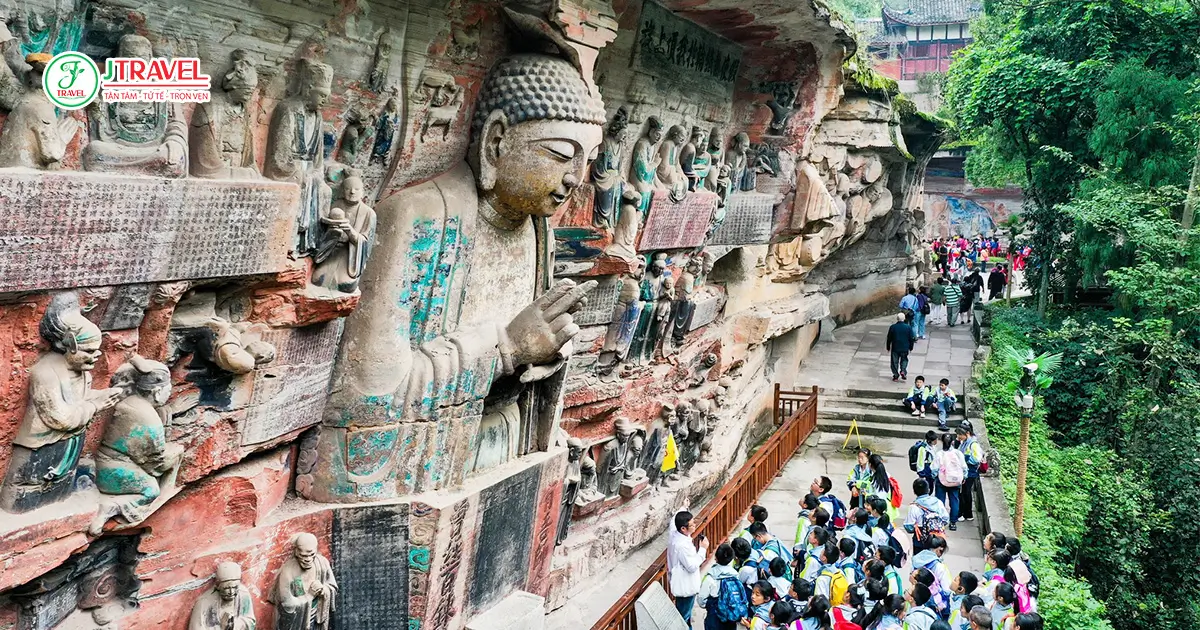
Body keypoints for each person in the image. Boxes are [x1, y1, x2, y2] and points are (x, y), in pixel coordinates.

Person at [667, 510, 708, 625]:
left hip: (680, 581)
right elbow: (691, 566)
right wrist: (703, 549)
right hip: (686, 586)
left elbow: (672, 522)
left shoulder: (674, 534)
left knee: (685, 614)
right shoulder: (682, 546)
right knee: (683, 617)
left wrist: (684, 506)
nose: (694, 525)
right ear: (683, 529)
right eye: (691, 525)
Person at [700, 543, 742, 630]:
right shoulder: (736, 575)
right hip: (731, 615)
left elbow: (701, 599)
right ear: (731, 559)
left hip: (714, 616)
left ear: (716, 558)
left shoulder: (710, 577)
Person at [904, 478, 948, 554]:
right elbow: (945, 519)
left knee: (919, 562)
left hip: (920, 540)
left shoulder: (914, 507)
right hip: (937, 539)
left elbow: (909, 526)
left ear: (914, 491)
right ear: (928, 489)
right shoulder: (938, 502)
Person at [913, 535, 953, 618]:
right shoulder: (940, 567)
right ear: (939, 550)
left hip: (916, 598)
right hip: (935, 605)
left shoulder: (915, 561)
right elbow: (947, 591)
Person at [935, 433, 965, 530]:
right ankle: (953, 523)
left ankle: (940, 521)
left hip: (942, 481)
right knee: (954, 501)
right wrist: (963, 477)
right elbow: (964, 467)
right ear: (953, 442)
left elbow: (934, 469)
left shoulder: (939, 454)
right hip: (955, 481)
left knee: (940, 501)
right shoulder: (958, 453)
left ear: (941, 442)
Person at [958, 425, 982, 522]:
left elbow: (977, 459)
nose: (958, 436)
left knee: (966, 492)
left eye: (960, 434)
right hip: (966, 471)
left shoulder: (973, 444)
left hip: (970, 472)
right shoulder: (965, 442)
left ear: (967, 433)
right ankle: (966, 513)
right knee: (964, 492)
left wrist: (965, 459)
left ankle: (966, 513)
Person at [886, 313, 916, 381]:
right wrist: (911, 347)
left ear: (897, 319)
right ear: (904, 318)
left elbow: (889, 338)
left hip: (895, 347)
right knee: (904, 360)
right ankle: (903, 371)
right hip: (905, 347)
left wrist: (888, 347)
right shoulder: (908, 327)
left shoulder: (893, 327)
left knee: (894, 362)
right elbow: (911, 338)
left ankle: (896, 375)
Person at [867, 454, 897, 520]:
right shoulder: (886, 475)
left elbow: (877, 495)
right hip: (888, 508)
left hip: (878, 510)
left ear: (870, 465)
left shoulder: (875, 480)